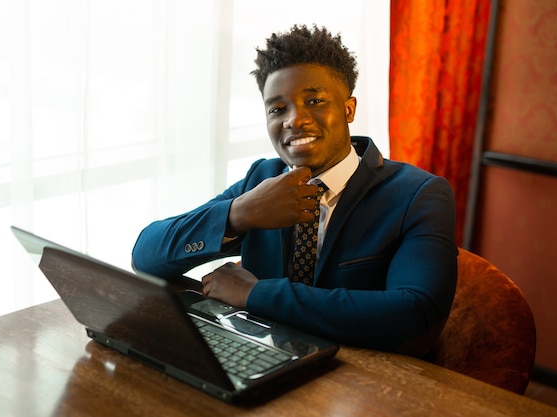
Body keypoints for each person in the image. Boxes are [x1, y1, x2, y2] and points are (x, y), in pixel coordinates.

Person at [132, 24, 457, 357]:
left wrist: (255, 294)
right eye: (277, 109)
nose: (294, 120)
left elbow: (417, 315)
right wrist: (239, 213)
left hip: (364, 378)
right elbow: (146, 256)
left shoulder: (419, 194)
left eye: (314, 100)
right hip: (265, 362)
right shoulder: (262, 179)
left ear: (348, 109)